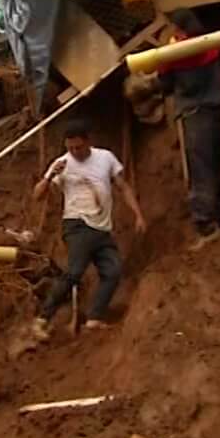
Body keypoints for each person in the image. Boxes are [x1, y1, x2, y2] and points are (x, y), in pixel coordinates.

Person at [29, 120, 145, 343]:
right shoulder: (61, 164)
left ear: (88, 142)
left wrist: (138, 214)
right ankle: (42, 319)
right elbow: (37, 195)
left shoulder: (105, 158)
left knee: (113, 271)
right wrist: (49, 176)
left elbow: (122, 186)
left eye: (79, 147)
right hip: (77, 225)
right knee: (74, 271)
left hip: (101, 228)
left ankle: (94, 318)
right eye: (70, 148)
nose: (75, 152)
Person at [157, 8, 220, 247]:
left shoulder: (175, 53)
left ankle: (205, 225)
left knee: (200, 169)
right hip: (215, 108)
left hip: (194, 113)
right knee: (213, 165)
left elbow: (165, 85)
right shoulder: (212, 45)